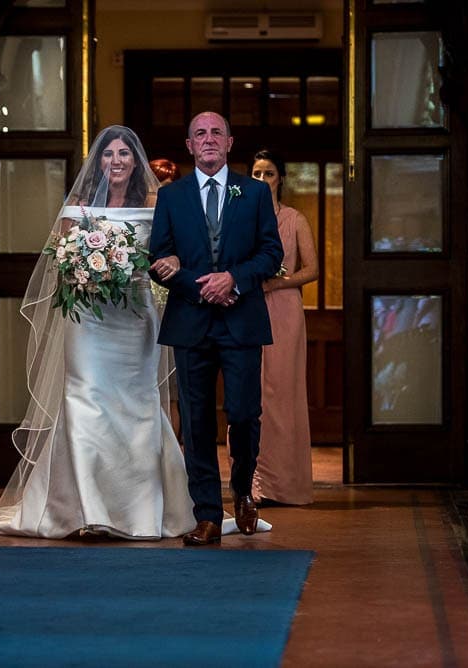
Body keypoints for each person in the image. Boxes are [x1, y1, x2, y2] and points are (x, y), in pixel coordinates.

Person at [0, 125, 196, 540]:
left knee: (137, 403)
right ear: (98, 162)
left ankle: (140, 508)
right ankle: (87, 511)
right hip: (88, 319)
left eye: (124, 154)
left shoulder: (157, 203)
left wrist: (156, 266)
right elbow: (59, 261)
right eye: (108, 154)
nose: (116, 161)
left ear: (136, 162)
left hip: (134, 318)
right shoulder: (76, 206)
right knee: (84, 397)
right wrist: (84, 269)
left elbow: (172, 253)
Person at [149, 111, 284, 546]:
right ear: (189, 146)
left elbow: (270, 253)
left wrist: (234, 280)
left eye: (216, 133)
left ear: (229, 142)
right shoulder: (172, 197)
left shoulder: (256, 192)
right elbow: (159, 258)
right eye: (199, 134)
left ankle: (242, 488)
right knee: (196, 423)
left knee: (244, 414)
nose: (208, 139)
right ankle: (206, 514)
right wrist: (202, 286)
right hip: (191, 323)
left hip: (242, 321)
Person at [250, 149, 318, 506]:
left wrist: (279, 282)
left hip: (285, 308)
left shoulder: (294, 219)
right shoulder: (240, 217)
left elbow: (313, 269)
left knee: (282, 394)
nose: (262, 180)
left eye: (269, 174)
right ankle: (253, 483)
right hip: (248, 307)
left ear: (281, 179)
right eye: (257, 174)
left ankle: (286, 485)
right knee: (249, 394)